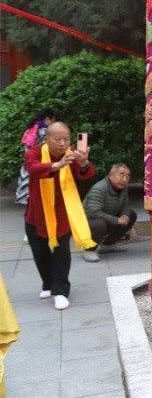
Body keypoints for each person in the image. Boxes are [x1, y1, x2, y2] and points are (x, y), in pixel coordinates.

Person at [24, 122, 95, 310]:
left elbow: (87, 175)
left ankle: (61, 290)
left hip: (63, 212)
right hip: (37, 212)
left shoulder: (72, 154)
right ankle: (48, 284)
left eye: (66, 139)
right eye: (57, 139)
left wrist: (83, 163)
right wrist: (57, 165)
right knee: (39, 250)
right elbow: (33, 168)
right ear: (46, 140)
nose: (63, 143)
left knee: (62, 251)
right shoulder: (35, 153)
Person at [81, 163, 137, 262]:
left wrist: (125, 215)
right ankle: (89, 249)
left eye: (128, 176)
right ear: (111, 175)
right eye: (121, 174)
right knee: (99, 224)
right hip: (88, 221)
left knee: (131, 215)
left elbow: (125, 204)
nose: (125, 179)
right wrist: (116, 220)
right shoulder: (99, 188)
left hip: (107, 217)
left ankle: (108, 245)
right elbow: (93, 212)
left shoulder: (122, 188)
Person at [15, 108, 57, 206]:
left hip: (28, 166)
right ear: (47, 119)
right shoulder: (45, 132)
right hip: (41, 166)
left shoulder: (30, 130)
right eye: (53, 121)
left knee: (30, 202)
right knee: (39, 200)